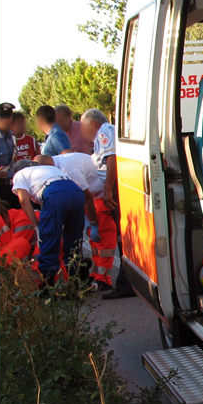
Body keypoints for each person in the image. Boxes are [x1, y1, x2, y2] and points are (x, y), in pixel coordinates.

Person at [80, 108, 134, 299]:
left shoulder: (104, 131)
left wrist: (108, 189)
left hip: (115, 189)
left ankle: (127, 283)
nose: (82, 131)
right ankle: (127, 281)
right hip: (116, 188)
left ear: (93, 123)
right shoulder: (107, 131)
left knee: (123, 237)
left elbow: (112, 159)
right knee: (122, 237)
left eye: (84, 126)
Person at [35, 154, 106, 289]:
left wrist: (93, 222)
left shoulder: (68, 169)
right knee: (81, 243)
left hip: (100, 196)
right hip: (89, 197)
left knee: (102, 241)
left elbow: (87, 196)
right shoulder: (58, 166)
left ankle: (101, 280)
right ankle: (87, 278)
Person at [10, 159, 86, 285]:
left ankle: (49, 288)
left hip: (55, 194)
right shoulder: (49, 169)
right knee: (74, 241)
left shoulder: (20, 174)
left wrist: (36, 226)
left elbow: (23, 200)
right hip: (76, 192)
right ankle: (75, 286)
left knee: (49, 239)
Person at [0, 102, 18, 207]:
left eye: (9, 116)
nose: (8, 120)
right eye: (3, 117)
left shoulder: (12, 137)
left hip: (12, 187)